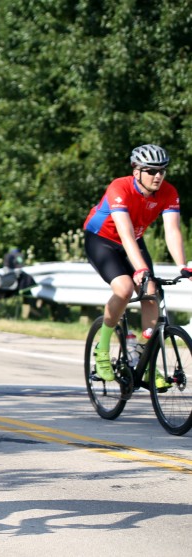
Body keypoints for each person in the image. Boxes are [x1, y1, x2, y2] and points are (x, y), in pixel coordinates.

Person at [84, 144, 190, 385]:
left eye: (162, 171)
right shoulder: (119, 187)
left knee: (151, 293)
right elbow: (126, 233)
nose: (158, 176)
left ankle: (144, 357)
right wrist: (141, 270)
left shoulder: (168, 192)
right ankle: (102, 349)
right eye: (151, 171)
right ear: (136, 171)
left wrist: (183, 265)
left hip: (134, 239)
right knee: (124, 289)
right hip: (103, 241)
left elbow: (172, 231)